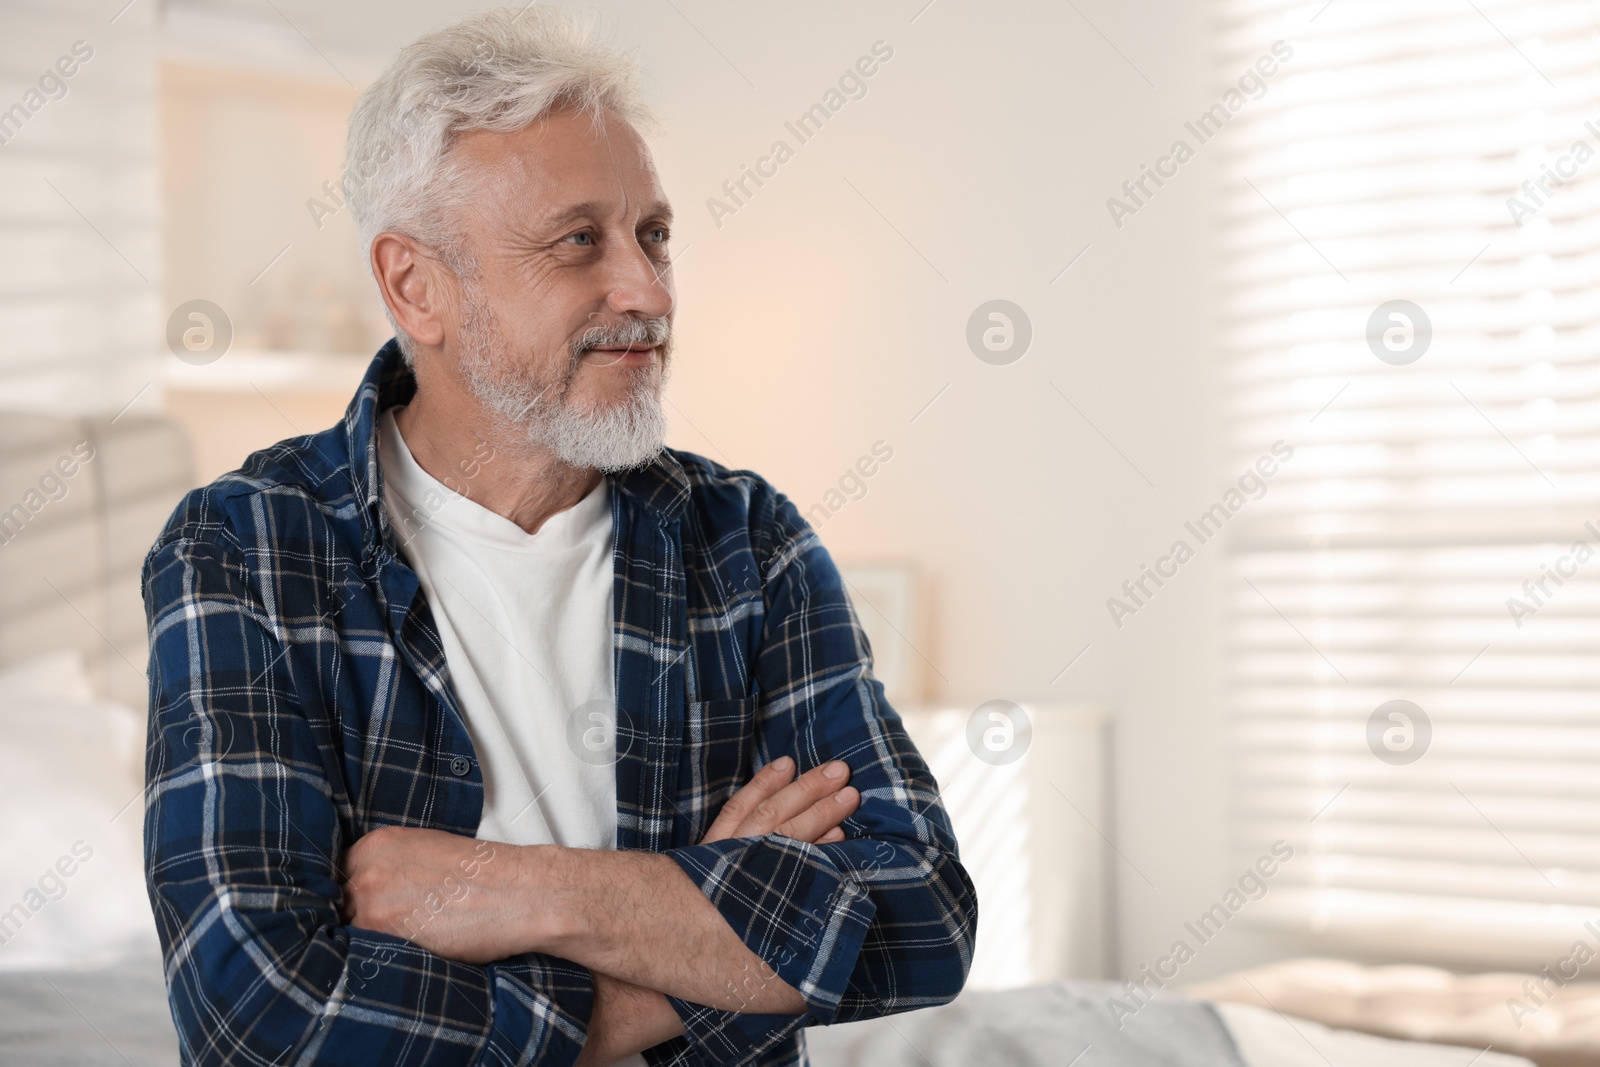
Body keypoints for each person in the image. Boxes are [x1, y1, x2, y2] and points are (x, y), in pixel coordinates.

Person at [141, 8, 975, 1066]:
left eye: (655, 235)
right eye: (580, 239)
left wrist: (513, 889)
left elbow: (922, 915)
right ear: (416, 285)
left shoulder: (747, 539)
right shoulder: (245, 547)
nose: (648, 291)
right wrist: (703, 924)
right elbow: (255, 1013)